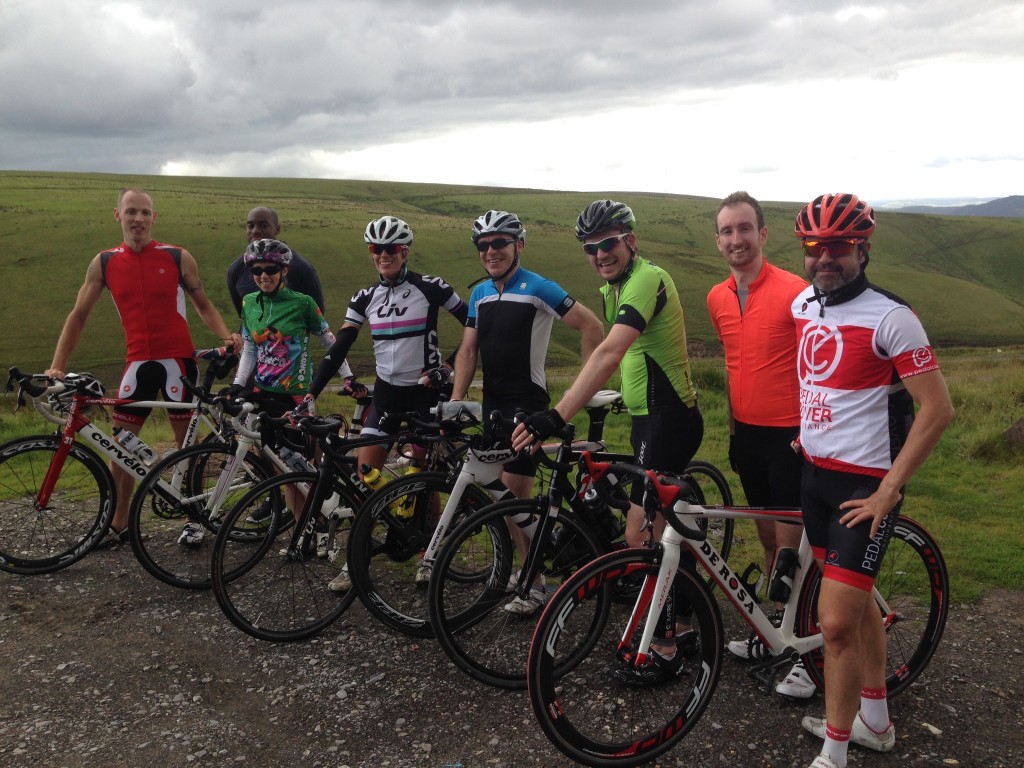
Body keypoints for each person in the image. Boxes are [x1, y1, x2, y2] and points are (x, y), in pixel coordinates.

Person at [789, 194, 954, 768]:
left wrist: (889, 491)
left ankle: (834, 754)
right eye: (814, 246)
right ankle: (876, 722)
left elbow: (936, 410)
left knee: (833, 623)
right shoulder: (803, 306)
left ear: (863, 248)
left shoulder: (892, 317)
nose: (824, 257)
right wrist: (808, 430)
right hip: (814, 479)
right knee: (856, 612)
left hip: (864, 490)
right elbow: (818, 380)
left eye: (837, 246)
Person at [512, 199, 704, 681]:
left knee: (643, 532)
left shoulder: (646, 279)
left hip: (668, 417)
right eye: (590, 248)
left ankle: (665, 648)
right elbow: (614, 356)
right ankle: (686, 621)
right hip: (646, 416)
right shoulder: (612, 287)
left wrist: (555, 415)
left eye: (608, 244)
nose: (599, 254)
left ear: (630, 241)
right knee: (661, 527)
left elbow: (611, 349)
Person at [46, 188, 243, 546]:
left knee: (188, 446)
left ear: (154, 218)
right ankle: (119, 523)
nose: (138, 218)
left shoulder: (176, 256)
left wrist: (226, 334)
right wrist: (58, 366)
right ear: (117, 215)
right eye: (131, 211)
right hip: (137, 362)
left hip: (177, 363)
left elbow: (202, 304)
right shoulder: (104, 262)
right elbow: (79, 315)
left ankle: (194, 519)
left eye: (145, 212)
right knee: (119, 446)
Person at [304, 215, 469, 590]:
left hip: (426, 395)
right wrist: (312, 392)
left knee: (425, 481)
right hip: (387, 395)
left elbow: (475, 325)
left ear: (404, 251)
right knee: (365, 477)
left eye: (390, 248)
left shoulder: (431, 287)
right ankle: (359, 555)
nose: (383, 255)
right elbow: (340, 346)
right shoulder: (364, 297)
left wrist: (447, 368)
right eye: (376, 249)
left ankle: (429, 553)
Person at [450, 209, 604, 612]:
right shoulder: (481, 293)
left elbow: (592, 327)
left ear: (518, 245)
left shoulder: (538, 287)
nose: (491, 251)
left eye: (499, 243)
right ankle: (529, 569)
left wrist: (581, 391)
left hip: (527, 406)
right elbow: (468, 350)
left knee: (514, 497)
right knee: (501, 500)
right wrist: (456, 400)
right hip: (492, 408)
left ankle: (535, 582)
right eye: (483, 245)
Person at [707, 191, 815, 698]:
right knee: (769, 540)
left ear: (763, 234)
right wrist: (732, 431)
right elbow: (734, 368)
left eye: (744, 228)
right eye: (727, 231)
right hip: (747, 435)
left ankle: (800, 654)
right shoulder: (717, 297)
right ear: (718, 239)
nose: (736, 239)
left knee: (792, 551)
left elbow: (817, 367)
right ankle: (776, 631)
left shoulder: (797, 291)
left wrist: (808, 431)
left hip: (791, 436)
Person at [180, 239, 355, 547]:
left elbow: (331, 343)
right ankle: (303, 532)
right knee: (278, 468)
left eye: (271, 270)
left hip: (298, 397)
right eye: (257, 271)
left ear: (283, 270)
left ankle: (322, 521)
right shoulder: (249, 303)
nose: (263, 276)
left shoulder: (302, 303)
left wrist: (348, 378)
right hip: (263, 392)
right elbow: (249, 347)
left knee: (306, 468)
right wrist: (238, 384)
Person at [226, 206, 326, 317]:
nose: (255, 231)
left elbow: (317, 314)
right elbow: (243, 314)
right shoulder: (235, 270)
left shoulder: (301, 268)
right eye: (250, 226)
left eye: (263, 226)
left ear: (277, 229)